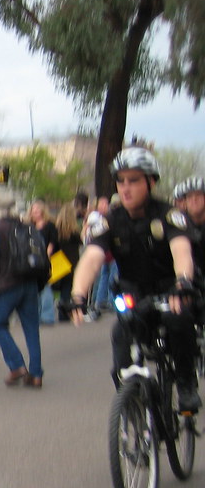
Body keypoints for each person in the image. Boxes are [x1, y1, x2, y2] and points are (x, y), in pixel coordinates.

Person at [70, 147, 199, 412]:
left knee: (179, 319)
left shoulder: (169, 214)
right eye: (121, 181)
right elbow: (92, 257)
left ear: (151, 182)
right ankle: (131, 404)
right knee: (120, 332)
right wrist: (78, 295)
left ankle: (186, 385)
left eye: (134, 180)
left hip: (169, 293)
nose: (125, 188)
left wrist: (182, 282)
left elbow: (181, 251)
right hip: (134, 295)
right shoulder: (110, 220)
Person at [0, 189, 44, 388]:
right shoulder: (27, 227)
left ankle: (17, 365)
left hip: (7, 283)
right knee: (31, 328)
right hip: (29, 281)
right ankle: (36, 374)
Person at [28, 200, 59, 325]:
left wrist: (45, 257)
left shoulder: (49, 226)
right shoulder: (29, 227)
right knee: (33, 289)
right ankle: (35, 315)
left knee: (45, 286)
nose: (35, 213)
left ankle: (47, 315)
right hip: (31, 260)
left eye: (37, 210)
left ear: (42, 211)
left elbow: (52, 244)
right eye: (33, 211)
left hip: (44, 260)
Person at [53, 202, 82, 321]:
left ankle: (61, 312)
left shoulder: (57, 230)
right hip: (71, 263)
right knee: (67, 290)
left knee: (62, 290)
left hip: (59, 262)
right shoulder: (74, 232)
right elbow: (81, 243)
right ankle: (64, 314)